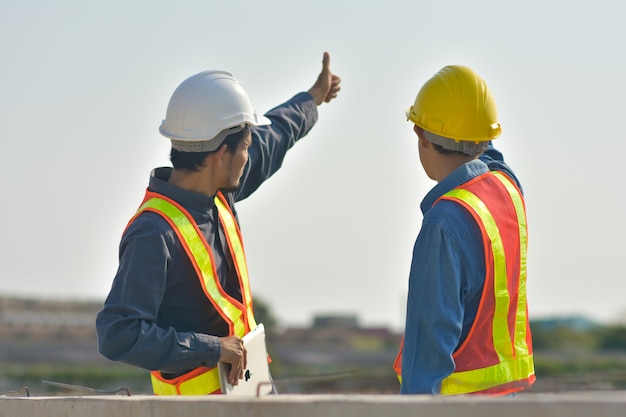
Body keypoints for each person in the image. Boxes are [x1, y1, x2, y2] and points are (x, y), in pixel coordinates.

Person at [96, 52, 341, 395]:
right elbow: (118, 334)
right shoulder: (154, 232)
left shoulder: (218, 193)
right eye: (244, 146)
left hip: (245, 399)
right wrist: (212, 348)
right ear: (220, 154)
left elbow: (276, 134)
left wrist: (312, 98)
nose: (249, 155)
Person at [393, 65, 535, 396]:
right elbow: (491, 157)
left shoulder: (444, 222)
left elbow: (427, 353)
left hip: (459, 407)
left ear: (420, 135)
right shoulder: (508, 188)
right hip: (510, 401)